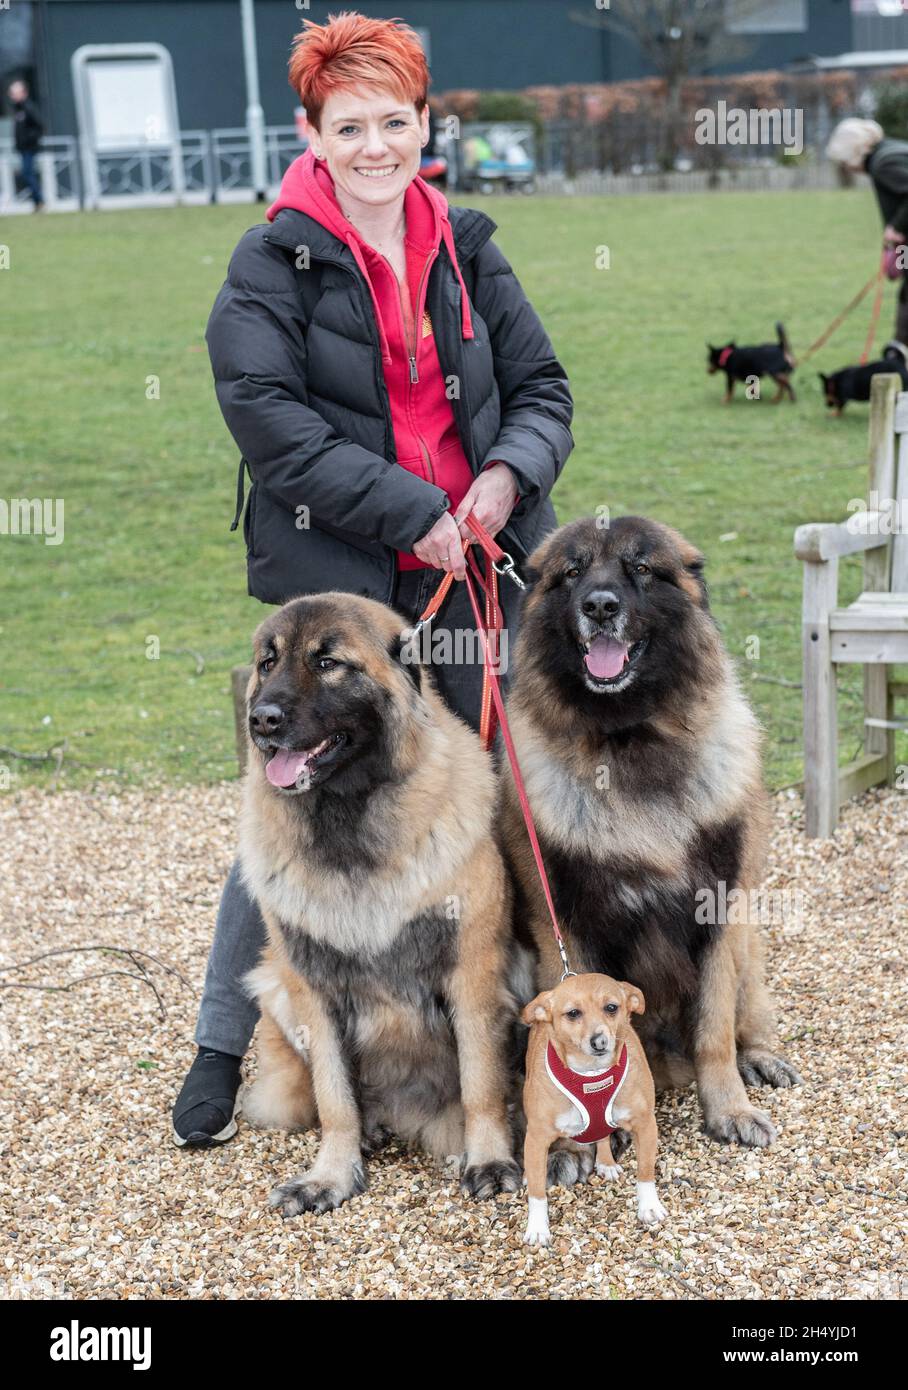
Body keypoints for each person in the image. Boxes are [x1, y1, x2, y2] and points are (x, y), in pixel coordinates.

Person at [172, 11, 574, 1146]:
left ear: (424, 121)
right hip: (344, 588)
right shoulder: (269, 260)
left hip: (474, 578)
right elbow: (274, 428)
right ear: (309, 131)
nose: (373, 146)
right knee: (297, 807)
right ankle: (220, 1044)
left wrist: (502, 478)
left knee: (487, 796)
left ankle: (523, 1030)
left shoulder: (468, 242)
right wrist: (418, 514)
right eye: (348, 125)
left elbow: (544, 386)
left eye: (393, 121)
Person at [826, 117, 908, 344]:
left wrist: (896, 228)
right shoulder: (891, 152)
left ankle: (899, 355)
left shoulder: (885, 163)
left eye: (844, 161)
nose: (847, 168)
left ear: (853, 153)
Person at [8, 79, 44, 211]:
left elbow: (39, 126)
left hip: (29, 148)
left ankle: (39, 200)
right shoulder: (18, 109)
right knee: (27, 173)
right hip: (23, 149)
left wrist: (29, 140)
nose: (12, 96)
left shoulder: (28, 107)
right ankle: (37, 202)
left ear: (23, 93)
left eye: (15, 93)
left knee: (27, 173)